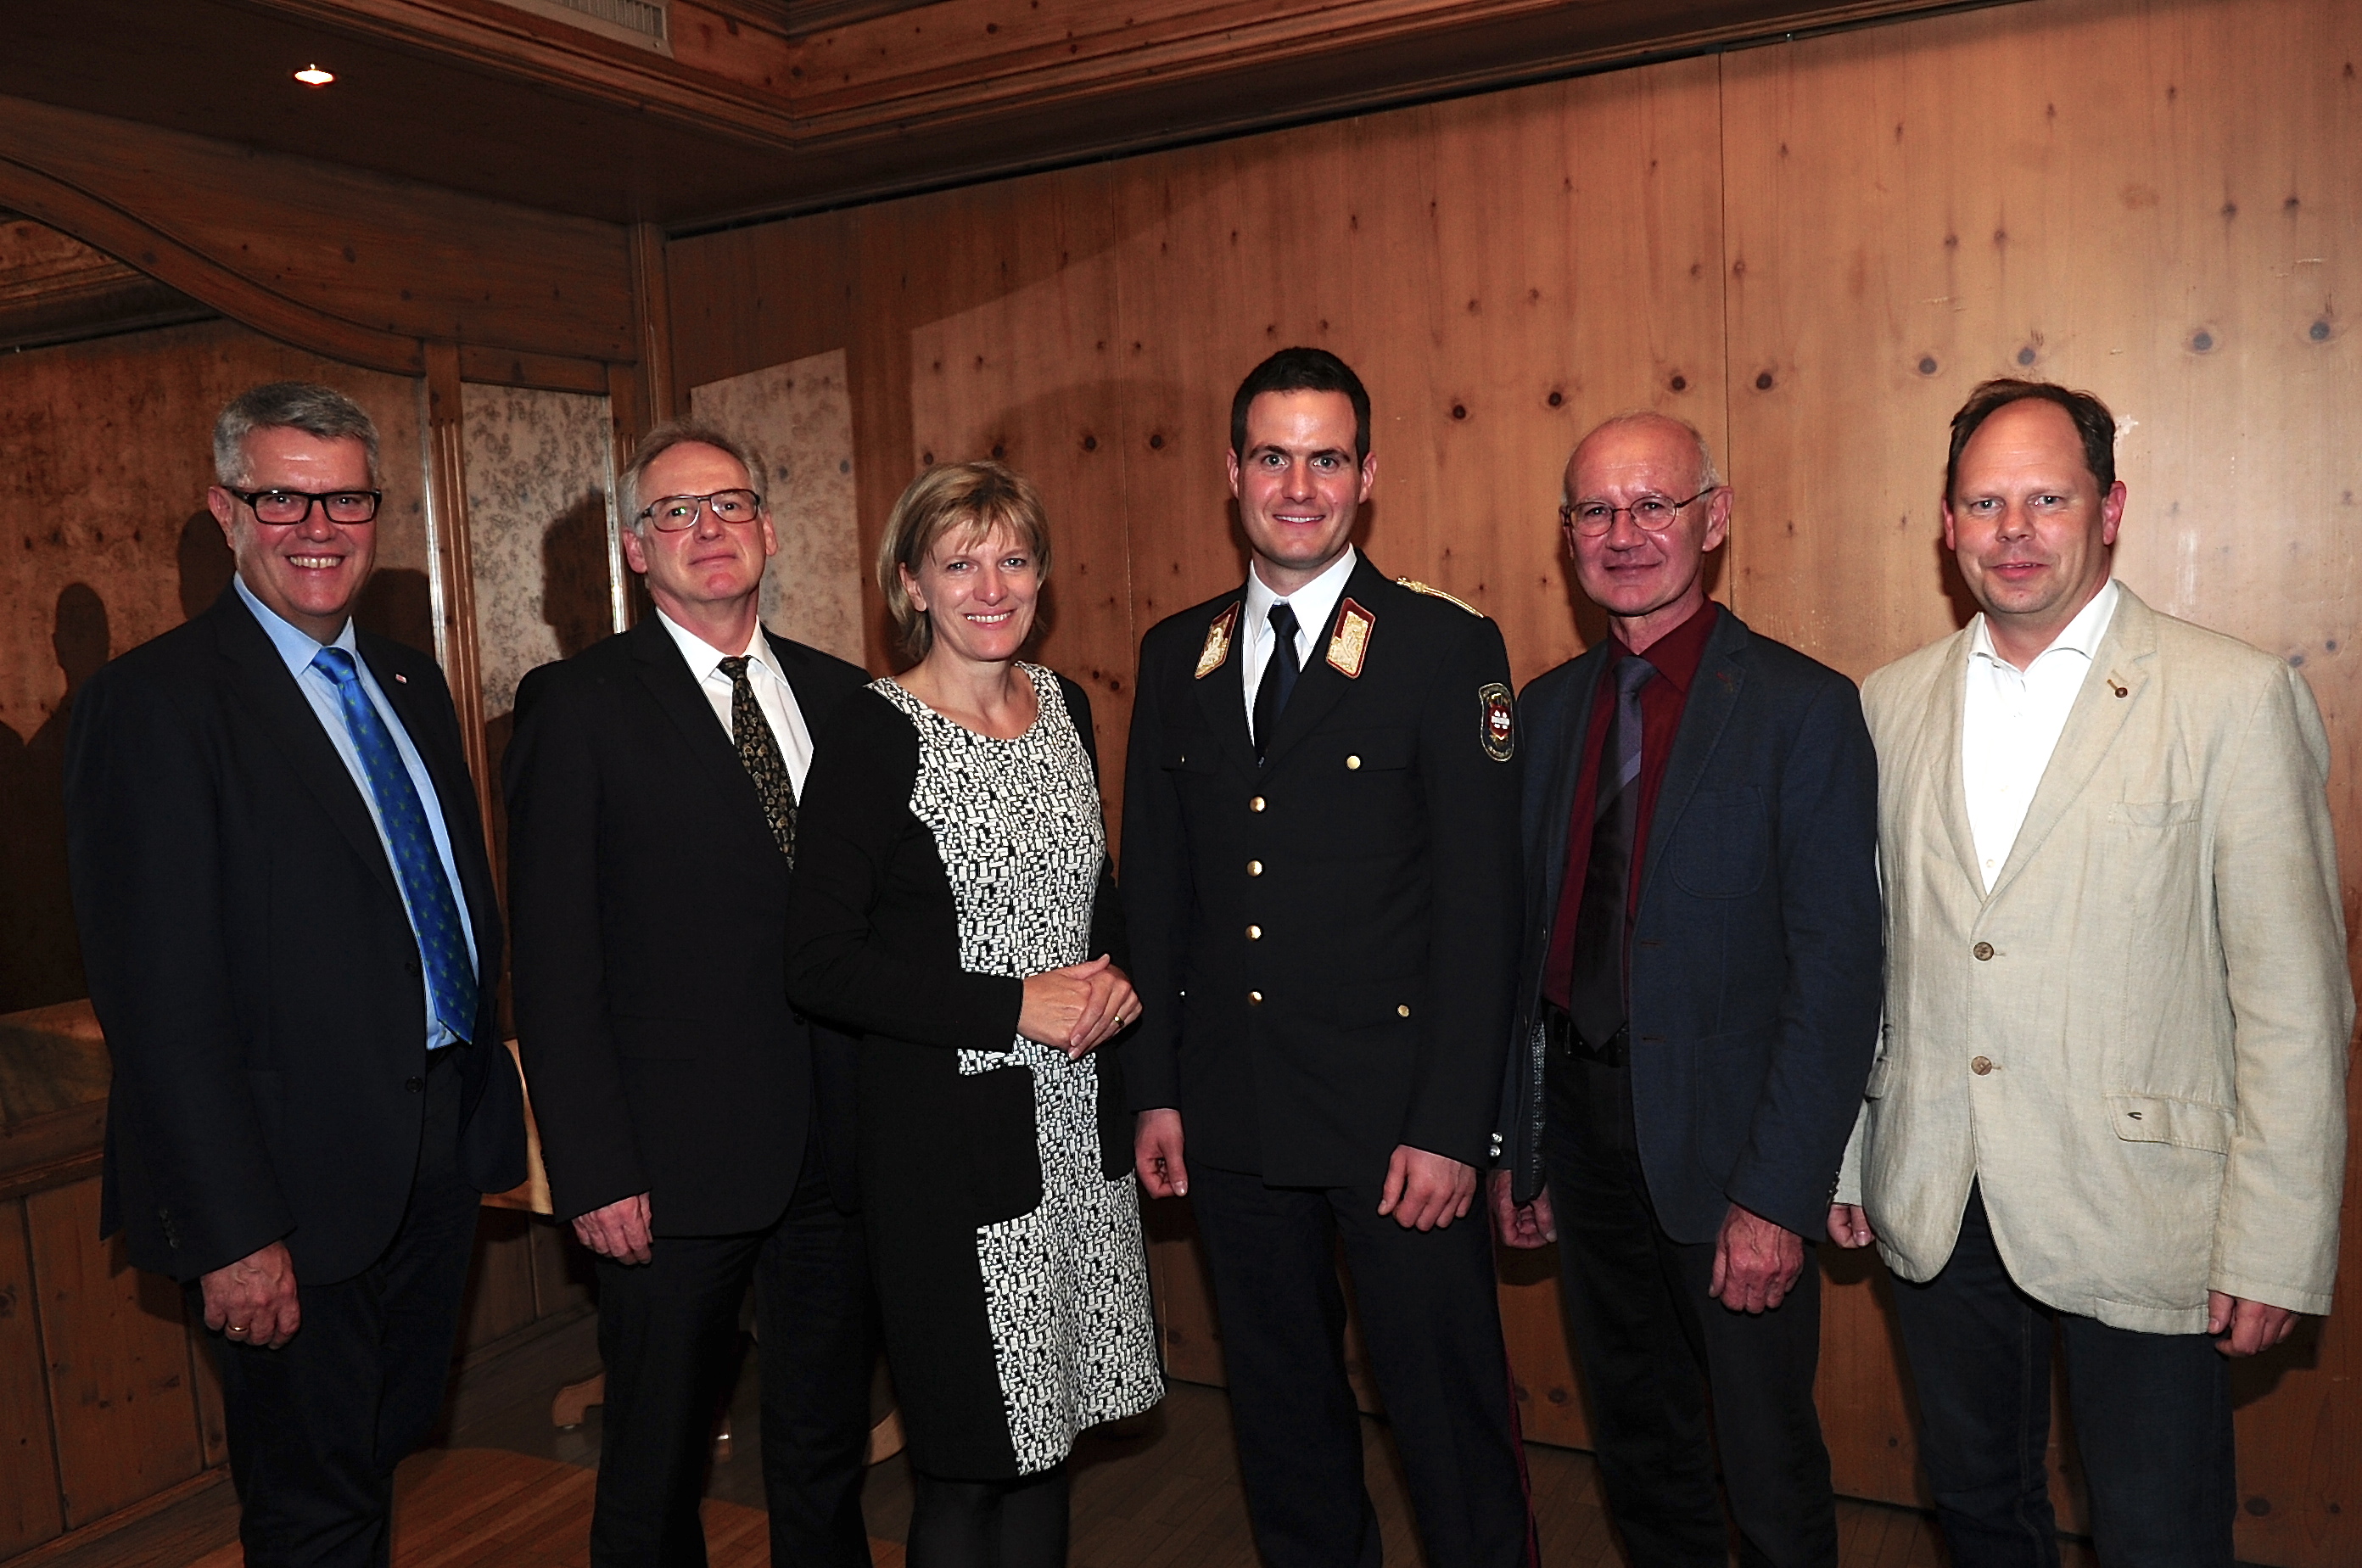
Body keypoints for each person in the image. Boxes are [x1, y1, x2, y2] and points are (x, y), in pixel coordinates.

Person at [1830, 379, 2353, 1568]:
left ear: (2111, 508)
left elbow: (2294, 1005)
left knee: (2158, 1532)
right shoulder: (1889, 705)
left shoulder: (2231, 697)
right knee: (1976, 1512)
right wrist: (1859, 1149)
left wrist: (2272, 1241)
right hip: (1940, 1187)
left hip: (2147, 1210)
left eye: (2047, 499)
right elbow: (1873, 952)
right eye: (1985, 502)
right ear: (1948, 526)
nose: (2013, 531)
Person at [64, 381, 525, 1565]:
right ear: (225, 511)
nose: (318, 527)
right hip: (283, 1189)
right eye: (284, 498)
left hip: (428, 1159)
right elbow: (158, 1000)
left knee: (367, 1469)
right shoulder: (155, 706)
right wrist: (233, 1231)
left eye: (346, 499)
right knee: (311, 1509)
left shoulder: (411, 688)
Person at [1121, 347, 1531, 1568]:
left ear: (1367, 476)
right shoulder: (1174, 655)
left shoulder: (1441, 647)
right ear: (1231, 472)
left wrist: (1457, 1124)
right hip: (1236, 1116)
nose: (1298, 485)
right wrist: (1154, 1086)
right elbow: (1159, 893)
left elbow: (1482, 908)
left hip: (1397, 1124)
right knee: (1283, 1426)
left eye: (1327, 458)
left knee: (1449, 1430)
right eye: (1272, 456)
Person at [1490, 412, 1882, 1566]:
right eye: (1595, 512)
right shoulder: (1548, 711)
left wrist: (1777, 1195)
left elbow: (1838, 971)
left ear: (1713, 519)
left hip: (1732, 1153)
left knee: (1766, 1467)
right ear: (1568, 538)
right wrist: (1527, 1145)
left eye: (1652, 505)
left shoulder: (1803, 710)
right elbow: (1526, 955)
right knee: (1638, 1450)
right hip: (1585, 1136)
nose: (1624, 534)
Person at [504, 421, 876, 1567]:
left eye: (728, 505)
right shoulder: (578, 703)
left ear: (768, 529)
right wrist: (594, 1167)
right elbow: (554, 964)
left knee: (822, 1454)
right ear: (634, 548)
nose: (706, 529)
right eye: (675, 513)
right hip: (668, 1171)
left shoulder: (847, 696)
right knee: (657, 1468)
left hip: (838, 1151)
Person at [783, 461, 1161, 1568]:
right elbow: (817, 963)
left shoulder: (1067, 707)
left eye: (1012, 558)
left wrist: (1120, 976)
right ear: (912, 583)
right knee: (966, 1465)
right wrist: (1013, 1007)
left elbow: (1092, 897)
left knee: (1049, 1451)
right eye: (960, 562)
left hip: (1074, 1143)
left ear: (1041, 575)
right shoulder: (876, 731)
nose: (989, 586)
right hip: (945, 1162)